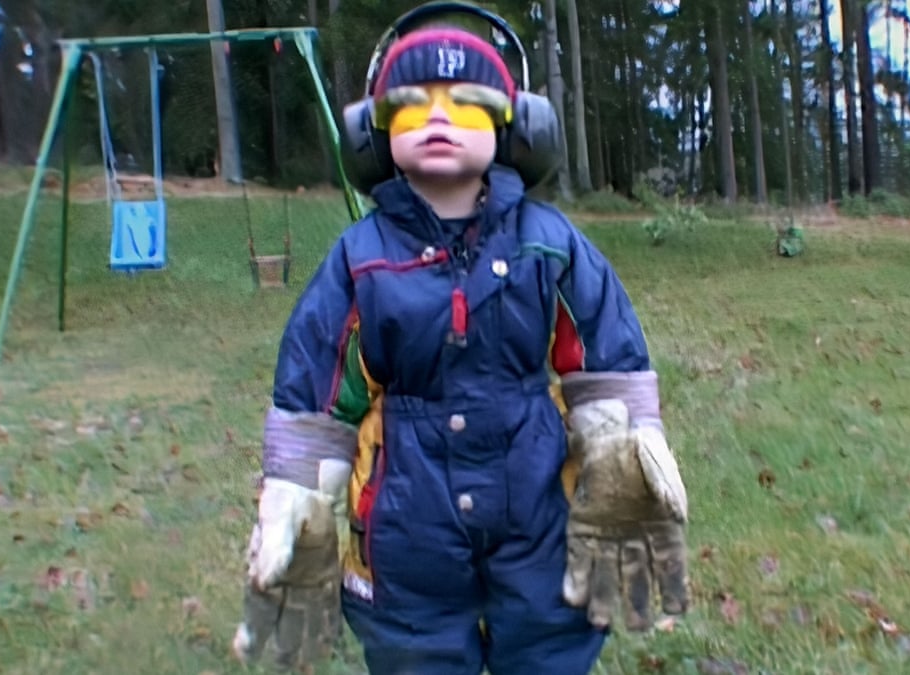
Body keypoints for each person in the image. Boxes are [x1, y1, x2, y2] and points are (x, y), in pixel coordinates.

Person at [232, 6, 689, 673]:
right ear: (374, 132)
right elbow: (320, 384)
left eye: (466, 101)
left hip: (536, 506)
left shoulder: (550, 243)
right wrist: (298, 487)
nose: (438, 116)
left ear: (515, 126)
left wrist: (619, 451)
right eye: (411, 104)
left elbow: (604, 352)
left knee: (550, 636)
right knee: (414, 647)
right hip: (405, 522)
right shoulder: (359, 259)